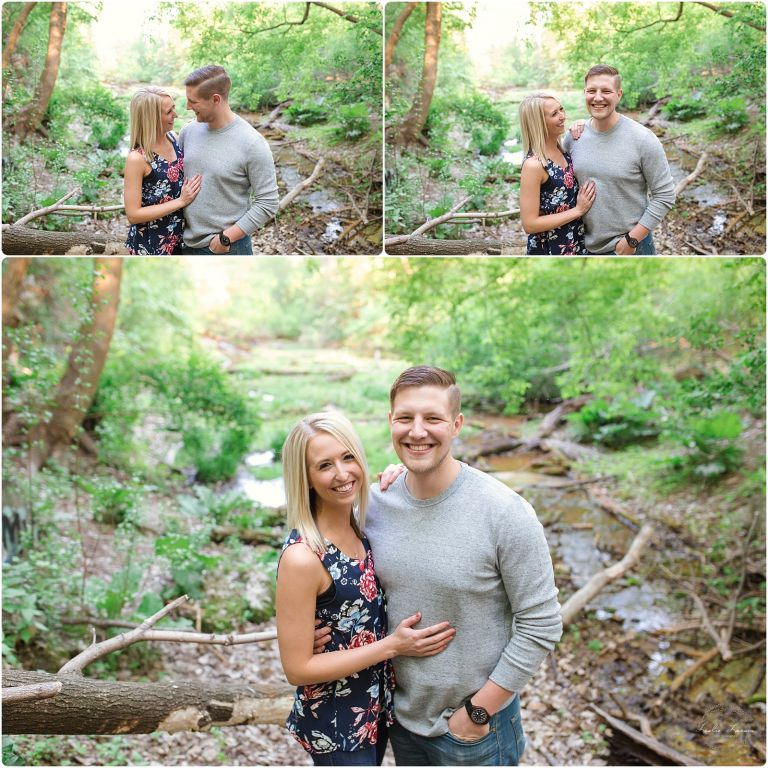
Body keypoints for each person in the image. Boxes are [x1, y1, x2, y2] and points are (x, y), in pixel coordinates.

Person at [276, 411, 457, 766]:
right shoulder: (303, 557)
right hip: (336, 723)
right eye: (324, 465)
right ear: (305, 477)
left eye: (348, 457)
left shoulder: (361, 525)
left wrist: (404, 474)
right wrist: (392, 647)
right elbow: (297, 669)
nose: (343, 474)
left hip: (374, 711)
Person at [562, 64, 676, 255]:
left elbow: (665, 195)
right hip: (581, 245)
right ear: (585, 93)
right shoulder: (574, 137)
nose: (598, 97)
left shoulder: (643, 139)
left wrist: (632, 240)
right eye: (592, 91)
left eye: (606, 91)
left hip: (631, 247)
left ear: (619, 94)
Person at [179, 65, 279, 255]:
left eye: (193, 101)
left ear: (216, 99)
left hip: (226, 248)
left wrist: (226, 237)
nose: (187, 107)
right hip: (184, 243)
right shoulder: (188, 132)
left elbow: (268, 203)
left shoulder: (252, 143)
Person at [124, 87, 202, 255]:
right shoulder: (137, 159)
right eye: (169, 111)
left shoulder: (173, 138)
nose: (176, 114)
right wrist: (181, 201)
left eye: (173, 108)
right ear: (151, 118)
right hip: (151, 246)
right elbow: (133, 214)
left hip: (181, 240)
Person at [518, 92, 596, 254]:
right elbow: (529, 224)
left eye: (561, 109)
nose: (562, 116)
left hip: (576, 241)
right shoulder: (534, 165)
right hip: (550, 249)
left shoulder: (562, 149)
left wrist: (582, 124)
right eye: (554, 114)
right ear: (538, 123)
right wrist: (578, 210)